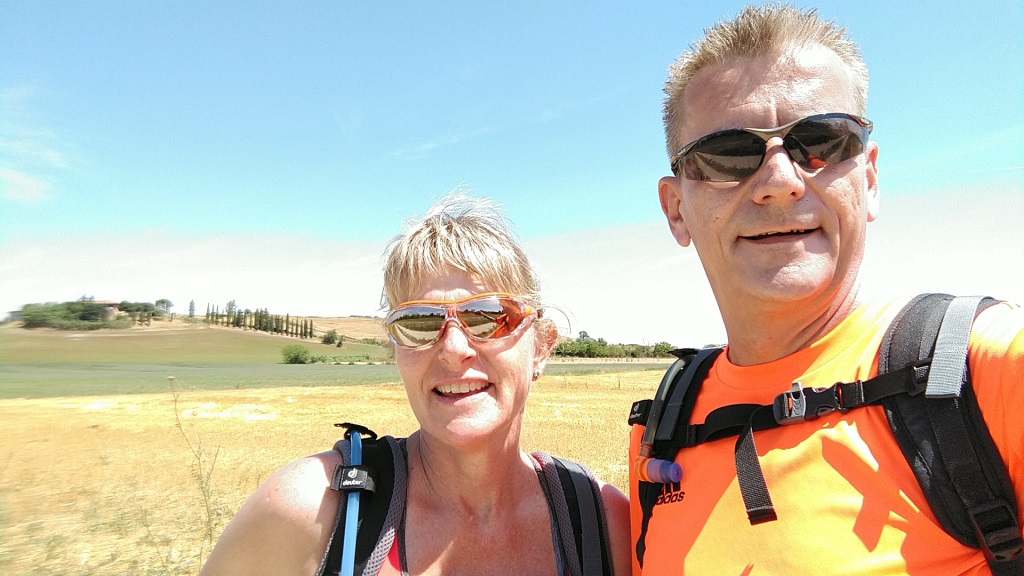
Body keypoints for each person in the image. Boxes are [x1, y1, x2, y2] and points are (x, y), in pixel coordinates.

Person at [628, 4, 1023, 575]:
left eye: (821, 141)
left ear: (869, 178)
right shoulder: (660, 433)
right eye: (730, 155)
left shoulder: (987, 373)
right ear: (676, 209)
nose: (780, 182)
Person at [201, 193, 631, 576]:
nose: (453, 349)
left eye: (489, 317)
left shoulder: (603, 523)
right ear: (395, 351)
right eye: (418, 322)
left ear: (541, 347)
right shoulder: (309, 512)